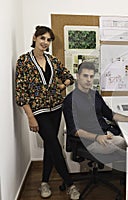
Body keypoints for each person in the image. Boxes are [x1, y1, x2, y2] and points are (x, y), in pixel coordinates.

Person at [63, 61, 128, 200]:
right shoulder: (70, 100)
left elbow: (110, 114)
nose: (89, 80)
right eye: (85, 76)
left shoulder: (95, 95)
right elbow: (74, 131)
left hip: (106, 135)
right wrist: (96, 137)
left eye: (91, 76)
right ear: (77, 76)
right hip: (90, 142)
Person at [15, 26, 80, 199]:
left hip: (56, 109)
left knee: (50, 146)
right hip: (38, 112)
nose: (45, 42)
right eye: (42, 38)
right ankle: (70, 184)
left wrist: (62, 85)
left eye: (48, 40)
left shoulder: (52, 60)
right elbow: (21, 92)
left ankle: (44, 182)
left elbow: (68, 76)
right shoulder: (24, 61)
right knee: (54, 145)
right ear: (35, 38)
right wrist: (30, 117)